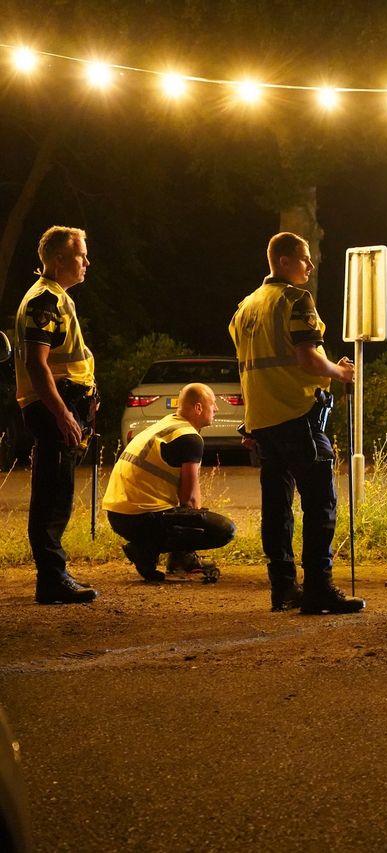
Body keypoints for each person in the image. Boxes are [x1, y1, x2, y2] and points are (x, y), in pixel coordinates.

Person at [229, 231, 363, 615]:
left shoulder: (245, 307)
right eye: (305, 258)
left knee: (277, 507)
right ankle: (319, 587)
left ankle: (283, 589)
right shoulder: (295, 300)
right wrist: (339, 372)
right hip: (297, 415)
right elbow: (306, 359)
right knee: (320, 503)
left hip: (263, 422)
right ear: (284, 261)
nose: (311, 265)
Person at [14, 226, 98, 604]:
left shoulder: (56, 298)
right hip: (53, 408)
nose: (86, 262)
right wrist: (63, 413)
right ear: (59, 259)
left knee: (59, 492)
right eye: (80, 255)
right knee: (52, 495)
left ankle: (55, 574)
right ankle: (51, 578)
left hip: (63, 406)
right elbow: (37, 364)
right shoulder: (44, 300)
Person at [104, 383, 236, 582]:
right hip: (140, 518)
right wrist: (191, 536)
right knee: (224, 529)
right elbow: (190, 500)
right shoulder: (190, 438)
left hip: (118, 514)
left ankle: (169, 555)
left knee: (189, 516)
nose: (216, 409)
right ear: (199, 408)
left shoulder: (166, 424)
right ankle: (147, 549)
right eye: (213, 404)